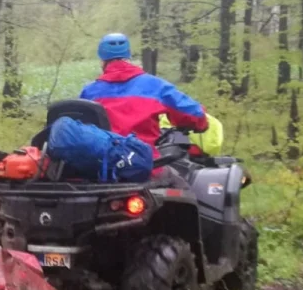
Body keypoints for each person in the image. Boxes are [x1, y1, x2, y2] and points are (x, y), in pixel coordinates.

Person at [80, 33, 208, 184]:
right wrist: (200, 124)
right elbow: (194, 114)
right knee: (186, 189)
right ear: (128, 56)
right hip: (147, 168)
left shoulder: (89, 92)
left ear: (102, 61)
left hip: (101, 171)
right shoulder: (156, 86)